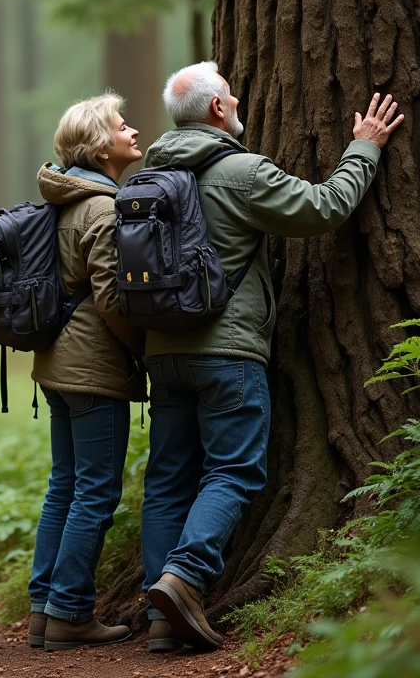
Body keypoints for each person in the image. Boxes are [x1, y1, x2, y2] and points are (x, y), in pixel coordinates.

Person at [138, 62, 403, 652]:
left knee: (167, 479)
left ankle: (161, 617)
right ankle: (183, 578)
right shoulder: (240, 170)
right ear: (215, 110)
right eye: (231, 96)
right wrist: (362, 149)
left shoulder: (144, 178)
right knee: (232, 469)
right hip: (226, 349)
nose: (238, 102)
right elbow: (323, 208)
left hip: (163, 353)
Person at [25, 93, 147, 651]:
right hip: (93, 367)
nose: (133, 131)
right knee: (95, 492)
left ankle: (42, 607)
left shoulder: (64, 200)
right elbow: (112, 301)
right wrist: (142, 352)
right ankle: (70, 612)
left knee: (65, 485)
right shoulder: (101, 207)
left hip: (56, 364)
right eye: (123, 126)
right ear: (102, 147)